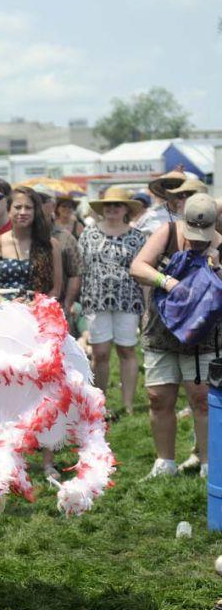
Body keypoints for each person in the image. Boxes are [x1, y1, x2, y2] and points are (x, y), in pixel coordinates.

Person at [130, 193, 222, 479]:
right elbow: (138, 266)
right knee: (158, 396)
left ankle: (209, 462)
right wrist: (167, 282)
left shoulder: (219, 243)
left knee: (202, 398)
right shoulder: (167, 231)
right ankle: (164, 462)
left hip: (204, 335)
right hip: (161, 331)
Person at [79, 187, 145, 415]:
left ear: (126, 209)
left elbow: (144, 272)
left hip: (129, 300)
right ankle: (100, 404)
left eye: (117, 205)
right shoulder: (88, 233)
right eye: (108, 205)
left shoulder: (138, 237)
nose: (112, 209)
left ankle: (127, 405)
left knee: (127, 351)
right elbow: (80, 269)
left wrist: (147, 307)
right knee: (100, 353)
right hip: (96, 300)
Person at [0, 185, 62, 307]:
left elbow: (56, 289)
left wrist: (38, 305)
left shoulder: (51, 244)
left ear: (36, 211)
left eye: (28, 207)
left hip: (39, 314)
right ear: (9, 211)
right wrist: (8, 304)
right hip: (5, 314)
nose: (23, 212)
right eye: (18, 207)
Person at [134, 170, 186, 237]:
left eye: (178, 185)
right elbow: (135, 240)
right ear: (163, 191)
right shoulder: (152, 216)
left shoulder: (198, 213)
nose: (174, 190)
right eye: (169, 186)